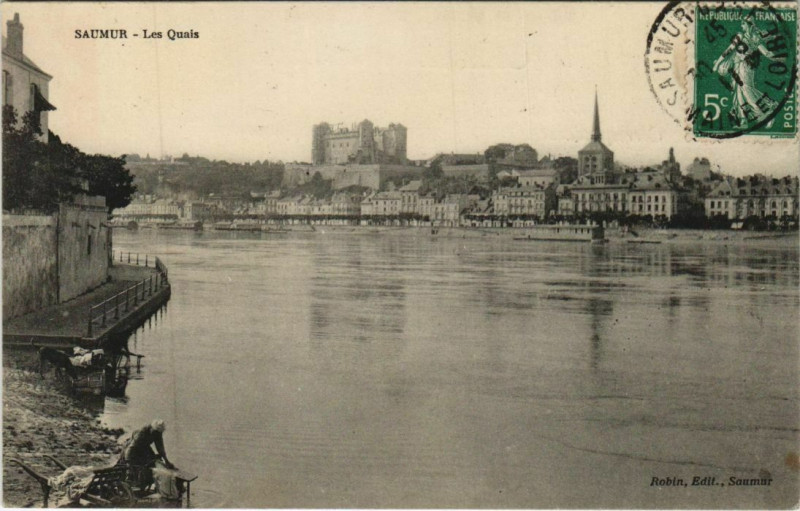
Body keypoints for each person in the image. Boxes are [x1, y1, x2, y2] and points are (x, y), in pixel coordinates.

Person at [119, 420, 174, 488]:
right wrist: (128, 464)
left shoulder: (157, 434)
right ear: (151, 429)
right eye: (155, 432)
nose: (156, 434)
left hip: (144, 448)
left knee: (153, 462)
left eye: (158, 433)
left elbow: (160, 448)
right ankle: (131, 481)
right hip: (133, 449)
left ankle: (144, 483)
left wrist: (167, 461)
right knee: (133, 469)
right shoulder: (141, 434)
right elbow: (130, 450)